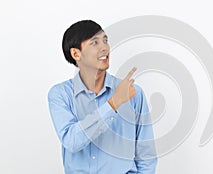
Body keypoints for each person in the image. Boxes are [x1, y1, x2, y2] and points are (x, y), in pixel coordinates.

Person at [48, 20, 157, 174]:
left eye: (105, 41)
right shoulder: (60, 95)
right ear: (76, 53)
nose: (104, 47)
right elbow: (71, 141)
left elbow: (146, 155)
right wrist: (114, 103)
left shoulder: (134, 93)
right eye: (95, 42)